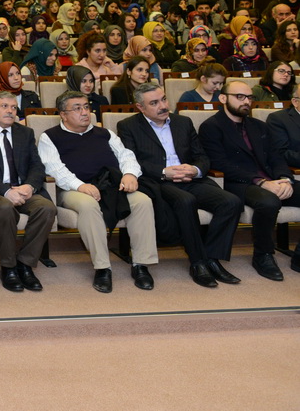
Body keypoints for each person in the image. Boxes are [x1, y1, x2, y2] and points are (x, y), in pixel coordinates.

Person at [124, 84, 245, 289]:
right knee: (186, 201)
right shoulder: (128, 126)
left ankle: (212, 258)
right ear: (140, 107)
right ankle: (197, 262)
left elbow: (202, 157)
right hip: (158, 181)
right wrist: (164, 171)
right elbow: (131, 162)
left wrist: (194, 169)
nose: (163, 106)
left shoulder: (183, 122)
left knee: (231, 202)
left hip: (190, 179)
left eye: (164, 99)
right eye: (154, 103)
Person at [38, 90, 158, 293]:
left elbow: (126, 156)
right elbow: (54, 169)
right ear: (63, 114)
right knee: (88, 205)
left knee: (142, 201)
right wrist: (80, 185)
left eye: (86, 107)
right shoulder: (49, 137)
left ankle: (141, 264)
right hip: (72, 189)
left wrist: (130, 174)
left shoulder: (105, 133)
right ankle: (103, 267)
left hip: (110, 186)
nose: (85, 112)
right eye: (77, 108)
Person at [201, 81, 300, 281]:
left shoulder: (259, 126)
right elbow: (220, 164)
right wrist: (261, 182)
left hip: (272, 180)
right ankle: (263, 255)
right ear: (223, 98)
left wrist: (285, 179)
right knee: (269, 201)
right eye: (240, 97)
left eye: (249, 97)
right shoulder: (211, 127)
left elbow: (276, 157)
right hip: (238, 183)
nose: (246, 101)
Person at [0, 91, 56, 292]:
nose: (10, 111)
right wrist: (6, 192)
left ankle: (25, 264)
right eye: (4, 106)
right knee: (6, 208)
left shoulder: (25, 133)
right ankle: (8, 267)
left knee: (47, 208)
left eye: (13, 107)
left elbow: (37, 165)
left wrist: (29, 186)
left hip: (23, 188)